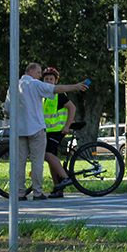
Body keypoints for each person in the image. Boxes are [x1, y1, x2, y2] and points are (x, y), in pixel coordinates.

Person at [3, 63, 88, 200]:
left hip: (19, 130)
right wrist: (76, 86)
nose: (40, 76)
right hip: (36, 128)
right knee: (37, 161)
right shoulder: (35, 84)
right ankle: (37, 192)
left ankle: (19, 193)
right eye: (39, 73)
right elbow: (57, 88)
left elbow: (7, 110)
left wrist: (21, 115)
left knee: (20, 161)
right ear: (31, 71)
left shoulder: (13, 86)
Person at [41, 67, 76, 198]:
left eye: (51, 79)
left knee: (47, 154)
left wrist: (67, 126)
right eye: (46, 79)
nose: (48, 81)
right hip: (47, 130)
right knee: (51, 159)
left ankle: (65, 177)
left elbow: (72, 108)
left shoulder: (58, 94)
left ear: (56, 81)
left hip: (58, 130)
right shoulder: (44, 95)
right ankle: (58, 188)